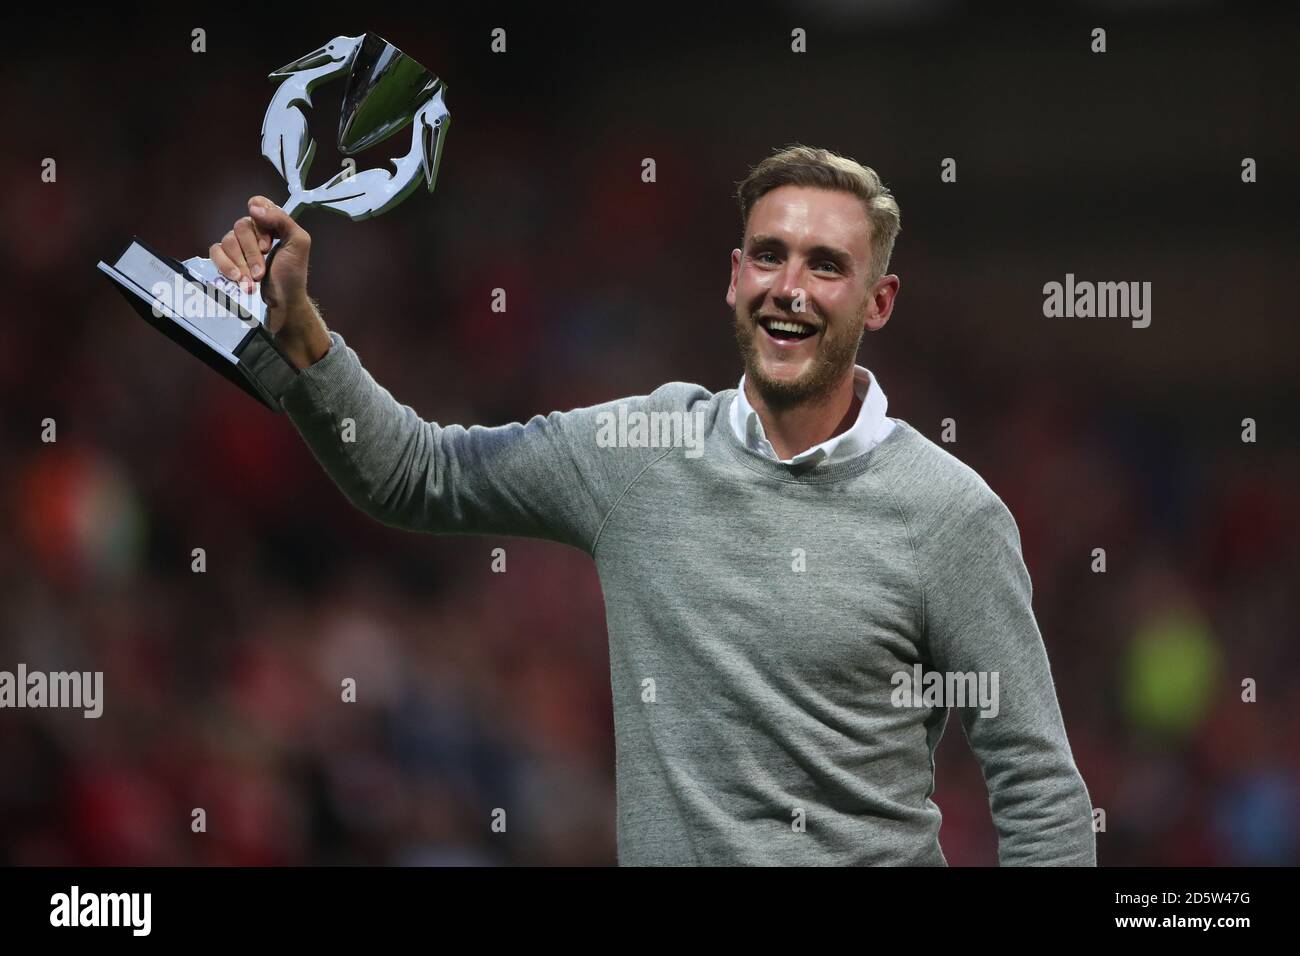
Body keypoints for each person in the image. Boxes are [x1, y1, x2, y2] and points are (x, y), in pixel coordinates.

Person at [212, 144, 1096, 865]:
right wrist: (296, 334)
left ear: (879, 301)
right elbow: (412, 473)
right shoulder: (640, 451)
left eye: (827, 266)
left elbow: (1037, 786)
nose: (789, 287)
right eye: (769, 254)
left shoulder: (951, 515)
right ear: (734, 275)